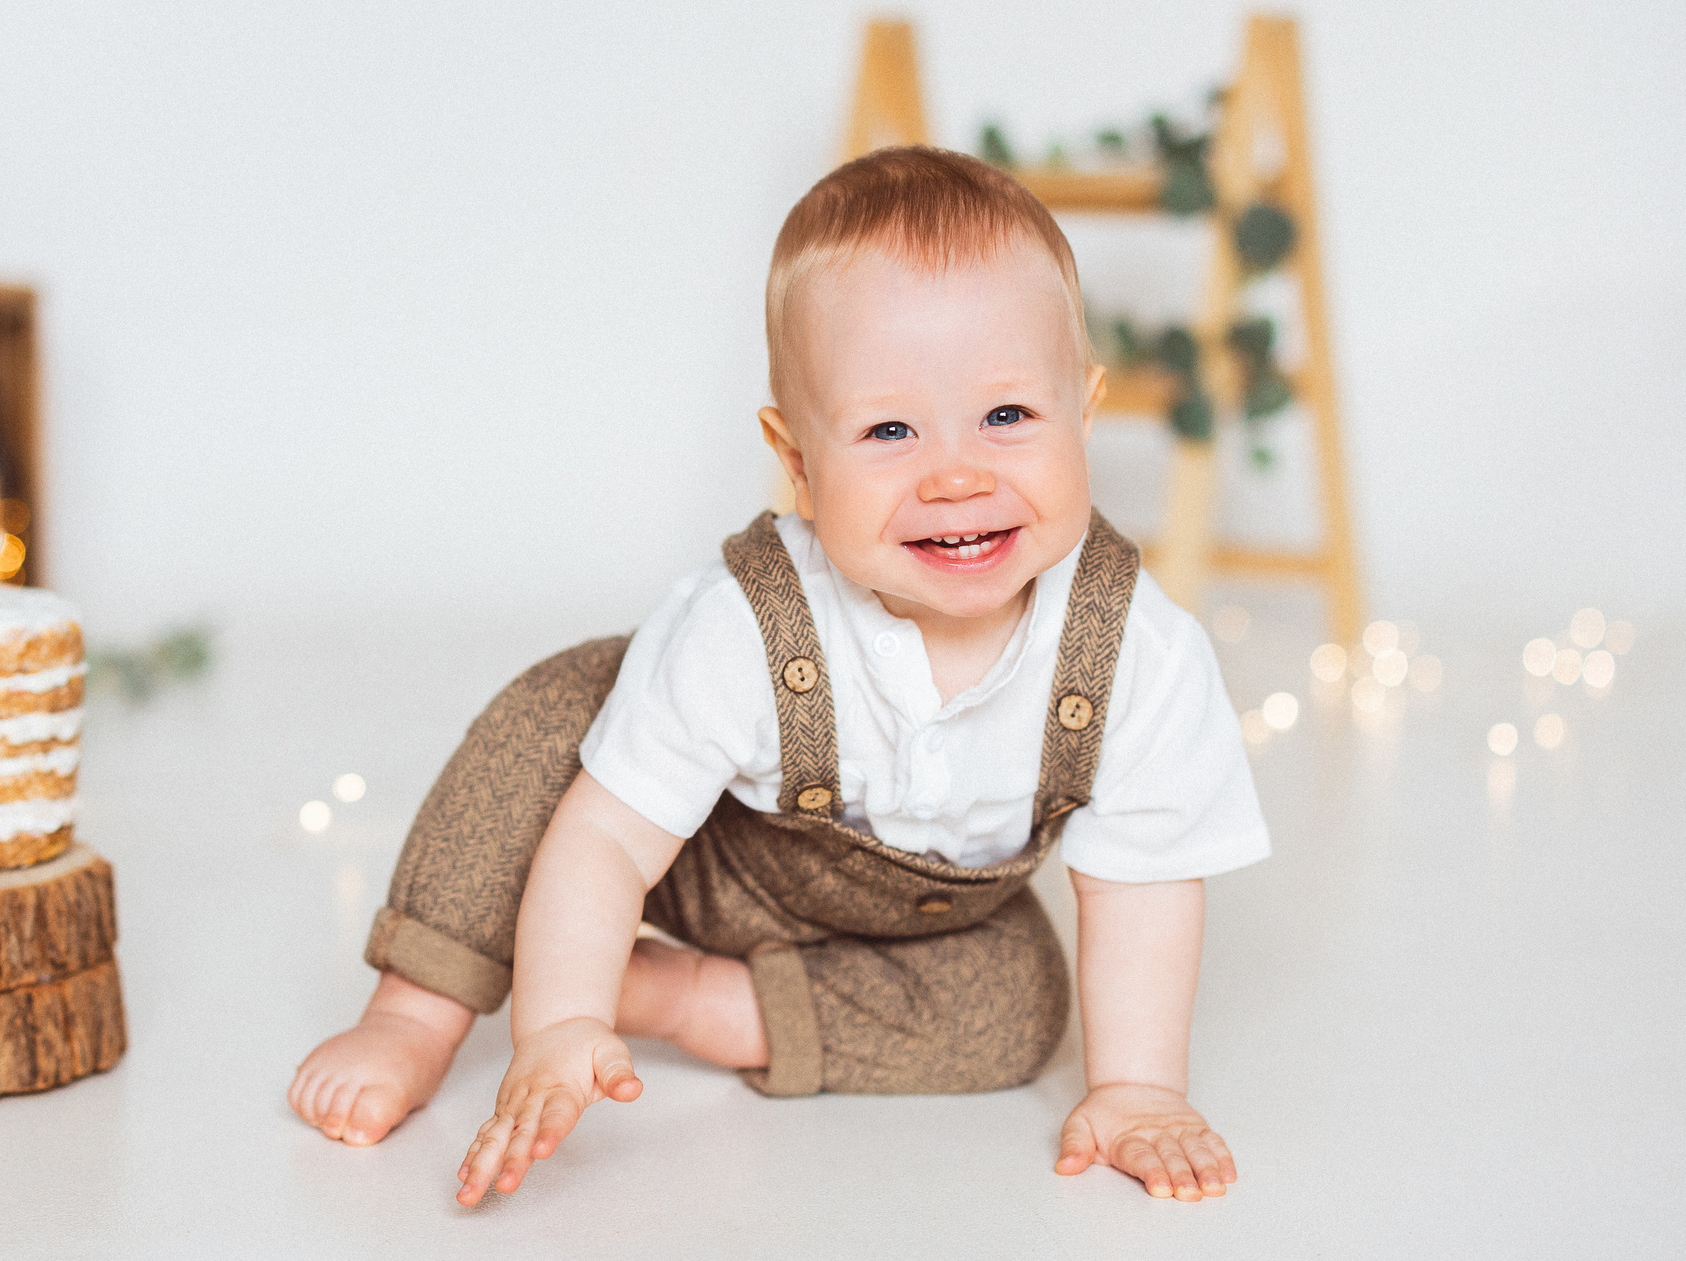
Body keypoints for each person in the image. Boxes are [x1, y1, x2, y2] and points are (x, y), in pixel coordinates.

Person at [287, 146, 1269, 1204]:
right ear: (798, 462)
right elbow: (611, 837)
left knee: (1024, 1005)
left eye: (1007, 416)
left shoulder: (1135, 650)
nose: (955, 473)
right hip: (709, 854)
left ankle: (673, 996)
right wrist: (557, 1024)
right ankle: (416, 1010)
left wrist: (1135, 1086)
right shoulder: (745, 626)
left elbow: (1145, 881)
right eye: (889, 430)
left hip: (928, 925)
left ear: (1083, 412)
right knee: (553, 719)